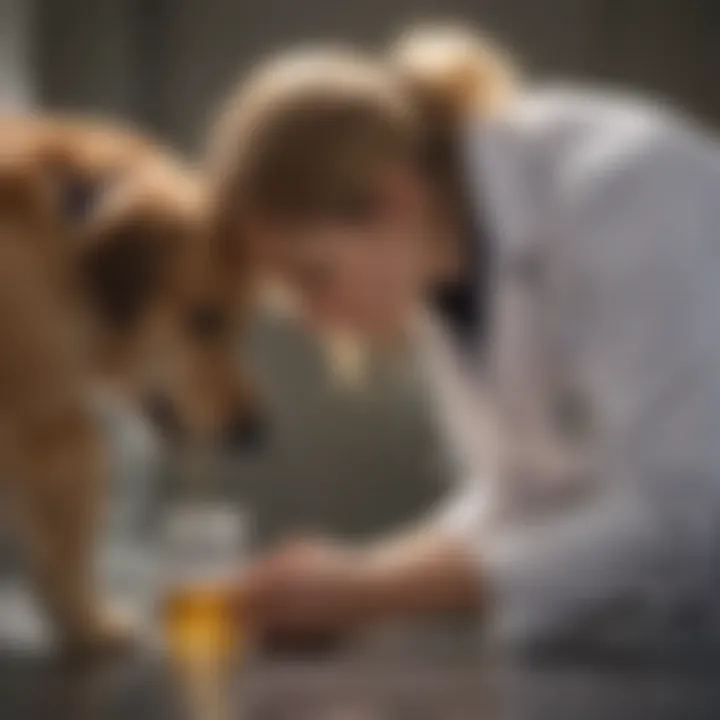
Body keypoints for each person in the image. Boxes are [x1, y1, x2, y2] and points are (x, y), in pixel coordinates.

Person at [209, 27, 720, 659]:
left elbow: (690, 505)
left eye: (312, 276)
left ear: (391, 198)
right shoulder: (446, 265)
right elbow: (523, 495)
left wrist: (370, 588)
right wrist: (351, 576)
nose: (310, 319)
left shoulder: (623, 190)